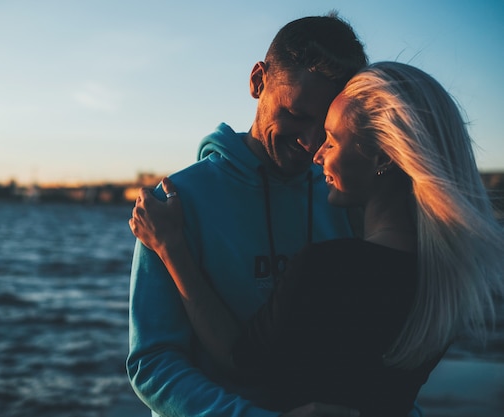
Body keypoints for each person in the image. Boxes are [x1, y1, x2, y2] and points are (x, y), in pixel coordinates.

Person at [129, 62, 504, 416]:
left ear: (384, 157)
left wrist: (171, 249)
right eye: (300, 118)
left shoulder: (327, 263)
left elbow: (237, 359)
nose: (315, 151)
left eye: (332, 138)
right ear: (259, 81)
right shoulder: (449, 275)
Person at [127, 13, 372, 417]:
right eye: (297, 114)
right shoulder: (174, 204)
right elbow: (152, 363)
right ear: (258, 80)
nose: (310, 142)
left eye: (326, 124)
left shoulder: (343, 196)